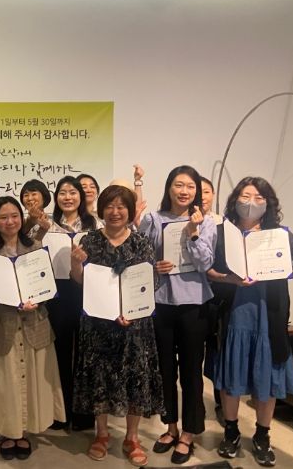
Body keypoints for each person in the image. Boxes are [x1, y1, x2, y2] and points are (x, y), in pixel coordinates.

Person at [211, 177, 293, 467]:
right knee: (232, 377)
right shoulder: (224, 233)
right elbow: (209, 270)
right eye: (245, 196)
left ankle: (262, 435)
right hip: (235, 313)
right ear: (235, 200)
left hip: (268, 316)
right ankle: (231, 432)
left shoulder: (279, 235)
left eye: (259, 197)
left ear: (268, 203)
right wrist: (229, 279)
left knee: (267, 379)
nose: (251, 202)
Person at [71, 185, 164, 466]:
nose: (115, 212)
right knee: (99, 378)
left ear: (130, 211)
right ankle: (101, 434)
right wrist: (76, 264)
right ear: (101, 210)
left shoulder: (141, 242)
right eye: (109, 206)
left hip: (134, 324)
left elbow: (150, 282)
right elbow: (80, 281)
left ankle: (132, 437)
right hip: (98, 323)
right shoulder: (89, 241)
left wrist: (131, 312)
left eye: (121, 206)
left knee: (135, 377)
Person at [0, 197, 65, 460]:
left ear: (21, 219)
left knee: (33, 377)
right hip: (4, 322)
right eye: (3, 217)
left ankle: (24, 433)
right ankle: (9, 432)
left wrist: (37, 300)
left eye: (14, 216)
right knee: (6, 380)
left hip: (34, 321)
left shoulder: (34, 246)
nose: (10, 221)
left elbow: (45, 282)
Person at [138, 165, 217, 465]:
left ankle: (189, 432)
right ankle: (170, 426)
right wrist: (153, 266)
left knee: (191, 371)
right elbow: (140, 256)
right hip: (160, 303)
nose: (184, 191)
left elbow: (205, 263)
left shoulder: (206, 223)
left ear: (196, 191)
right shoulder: (153, 219)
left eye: (190, 186)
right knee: (164, 370)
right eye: (178, 185)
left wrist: (193, 233)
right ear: (169, 187)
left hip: (194, 304)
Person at [44, 176, 102, 431]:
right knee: (59, 353)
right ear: (56, 197)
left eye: (73, 192)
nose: (67, 197)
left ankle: (84, 414)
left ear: (81, 196)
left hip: (89, 293)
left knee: (86, 354)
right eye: (62, 192)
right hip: (56, 296)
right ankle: (60, 412)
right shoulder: (46, 224)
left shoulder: (96, 225)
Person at [200, 177, 227, 427]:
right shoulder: (181, 223)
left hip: (218, 297)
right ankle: (195, 402)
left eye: (206, 191)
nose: (202, 196)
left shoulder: (224, 224)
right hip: (193, 296)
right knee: (193, 354)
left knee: (218, 351)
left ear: (213, 194)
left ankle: (221, 402)